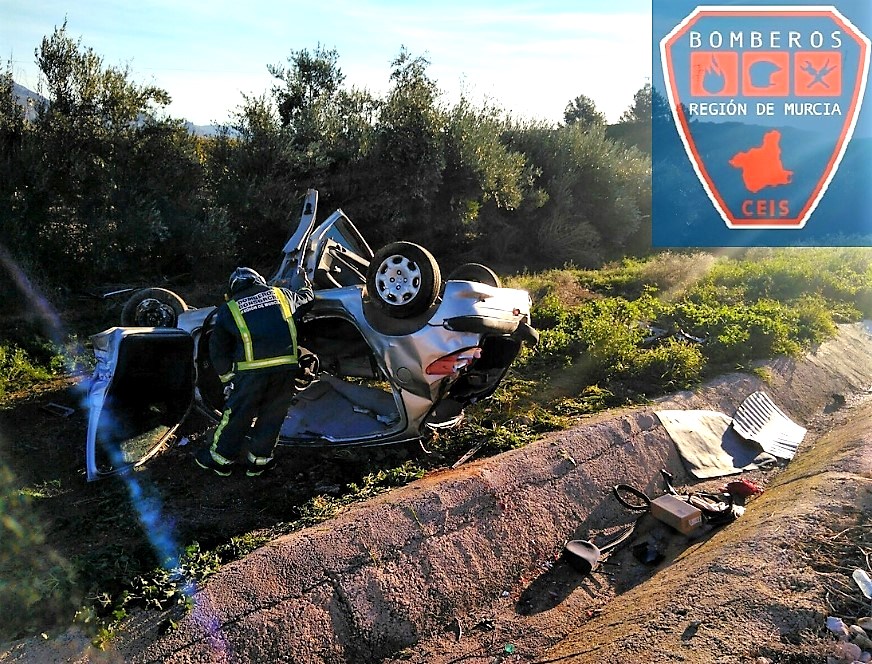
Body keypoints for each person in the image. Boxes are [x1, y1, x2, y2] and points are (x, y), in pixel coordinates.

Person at [195, 266, 314, 477]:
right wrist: (303, 281)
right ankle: (259, 462)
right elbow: (307, 299)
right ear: (259, 280)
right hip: (285, 368)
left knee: (237, 416)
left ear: (233, 289)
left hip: (251, 374)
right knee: (273, 415)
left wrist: (227, 378)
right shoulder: (281, 295)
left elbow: (218, 348)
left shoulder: (229, 309)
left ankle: (220, 461)